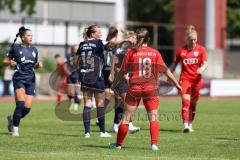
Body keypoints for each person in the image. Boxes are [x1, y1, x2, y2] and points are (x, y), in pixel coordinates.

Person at [109, 28, 181, 151]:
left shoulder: (131, 52)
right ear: (149, 39)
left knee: (126, 117)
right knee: (153, 117)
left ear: (137, 38)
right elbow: (166, 71)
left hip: (135, 88)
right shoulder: (155, 53)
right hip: (151, 89)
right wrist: (176, 84)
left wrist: (114, 83)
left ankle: (118, 145)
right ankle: (154, 145)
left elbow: (122, 71)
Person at [3, 26, 42, 136]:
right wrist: (10, 63)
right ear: (23, 37)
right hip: (19, 78)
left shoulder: (34, 50)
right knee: (20, 104)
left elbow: (34, 65)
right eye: (28, 35)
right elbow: (5, 60)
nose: (31, 37)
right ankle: (15, 129)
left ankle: (12, 119)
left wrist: (38, 65)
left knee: (27, 109)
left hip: (31, 80)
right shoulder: (15, 48)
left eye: (31, 35)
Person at [171, 25, 208, 133]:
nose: (193, 41)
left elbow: (205, 63)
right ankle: (185, 125)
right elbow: (174, 65)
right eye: (191, 39)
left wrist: (202, 69)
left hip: (197, 81)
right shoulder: (181, 51)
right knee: (185, 102)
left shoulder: (201, 50)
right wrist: (169, 75)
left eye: (195, 39)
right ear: (187, 39)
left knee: (193, 104)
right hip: (185, 80)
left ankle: (190, 123)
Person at [77, 24, 111, 138]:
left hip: (85, 76)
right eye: (99, 32)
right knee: (100, 103)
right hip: (97, 76)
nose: (101, 34)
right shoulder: (98, 43)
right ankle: (102, 132)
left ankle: (87, 133)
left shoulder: (82, 44)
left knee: (87, 103)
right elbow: (112, 43)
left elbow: (77, 61)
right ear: (93, 34)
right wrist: (127, 40)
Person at [109, 30, 140, 133]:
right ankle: (128, 124)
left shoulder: (134, 50)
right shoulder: (121, 49)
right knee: (126, 101)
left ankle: (115, 125)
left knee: (122, 102)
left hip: (129, 79)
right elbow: (115, 63)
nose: (135, 40)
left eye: (136, 38)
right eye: (134, 38)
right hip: (120, 79)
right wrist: (117, 74)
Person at [64, 45, 81, 111]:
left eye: (77, 49)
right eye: (75, 49)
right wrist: (68, 72)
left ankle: (76, 104)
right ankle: (71, 101)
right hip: (69, 75)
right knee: (70, 91)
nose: (76, 50)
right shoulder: (68, 56)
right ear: (72, 49)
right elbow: (64, 65)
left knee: (76, 90)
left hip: (77, 75)